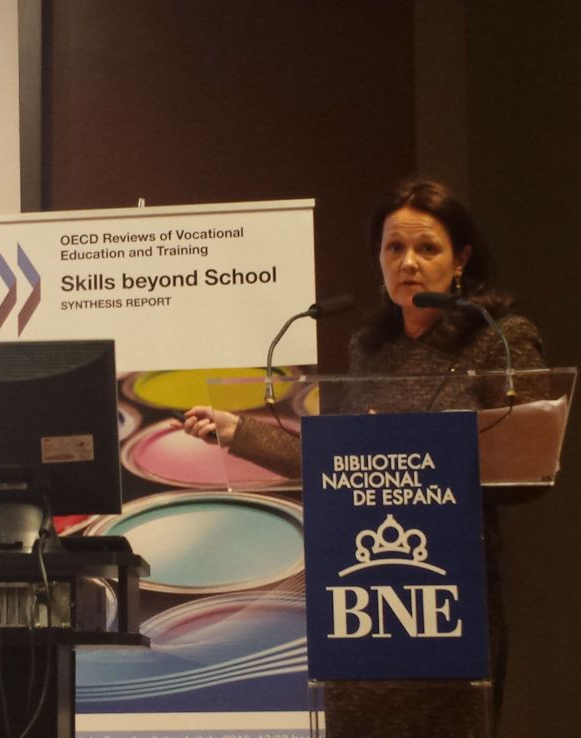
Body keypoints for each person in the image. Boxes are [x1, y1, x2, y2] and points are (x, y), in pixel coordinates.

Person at [174, 178, 546, 736]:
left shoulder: (500, 339)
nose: (408, 263)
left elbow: (527, 468)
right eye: (394, 248)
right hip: (359, 596)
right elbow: (339, 467)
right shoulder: (368, 349)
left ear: (461, 259)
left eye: (427, 248)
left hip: (448, 589)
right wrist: (240, 433)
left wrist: (419, 449)